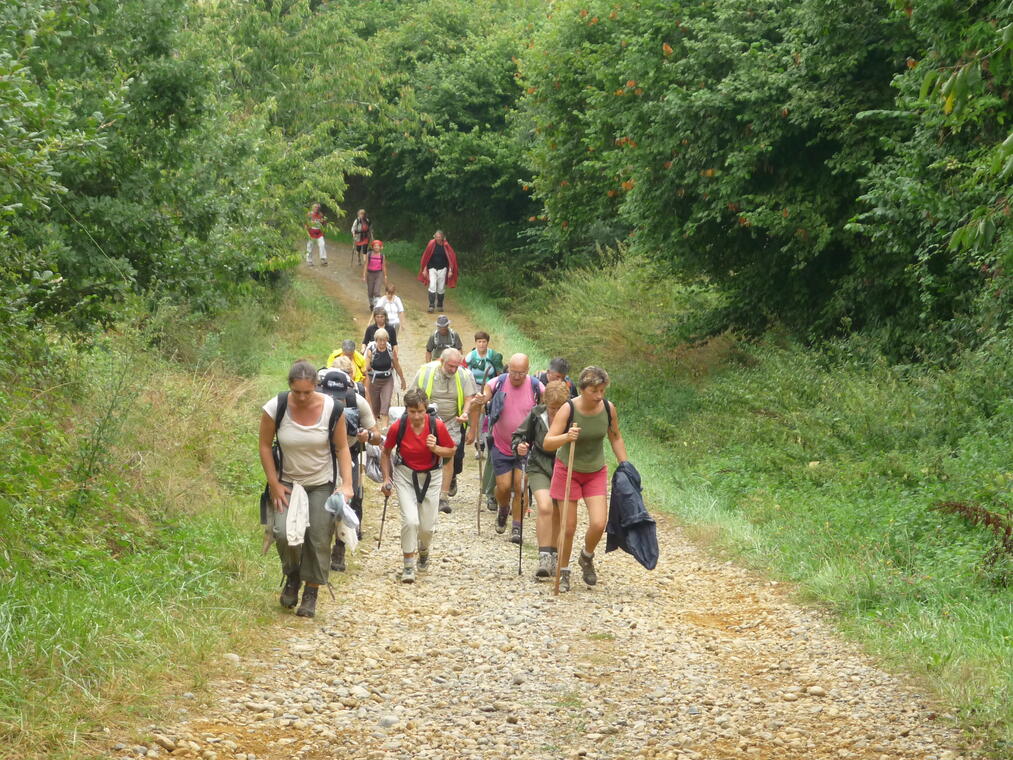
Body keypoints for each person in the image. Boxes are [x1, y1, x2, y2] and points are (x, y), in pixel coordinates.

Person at [258, 360, 353, 617]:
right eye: (297, 392)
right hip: (288, 483)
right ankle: (292, 576)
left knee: (319, 538)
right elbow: (265, 446)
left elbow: (342, 448)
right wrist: (274, 484)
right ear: (289, 386)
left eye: (307, 392)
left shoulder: (333, 409)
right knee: (283, 533)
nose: (301, 397)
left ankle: (311, 592)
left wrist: (347, 485)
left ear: (316, 387)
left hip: (322, 483)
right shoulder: (275, 407)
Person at [542, 366, 629, 592]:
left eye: (602, 390)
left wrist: (625, 465)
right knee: (568, 527)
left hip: (595, 471)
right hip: (568, 470)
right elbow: (548, 442)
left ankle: (586, 556)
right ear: (582, 389)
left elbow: (616, 437)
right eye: (594, 391)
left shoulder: (609, 409)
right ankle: (562, 572)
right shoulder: (567, 409)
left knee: (599, 523)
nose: (599, 396)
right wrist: (566, 436)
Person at [381, 388, 457, 583]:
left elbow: (450, 451)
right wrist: (386, 478)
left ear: (426, 409)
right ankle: (408, 565)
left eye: (420, 411)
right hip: (405, 475)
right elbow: (386, 452)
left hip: (432, 477)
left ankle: (424, 549)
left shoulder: (436, 426)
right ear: (406, 410)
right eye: (412, 411)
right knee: (410, 521)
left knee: (427, 527)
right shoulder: (398, 426)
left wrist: (435, 448)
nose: (416, 416)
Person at [317, 356, 383, 572]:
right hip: (321, 456)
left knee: (347, 500)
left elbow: (377, 435)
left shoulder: (358, 401)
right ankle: (322, 548)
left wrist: (367, 436)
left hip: (351, 454)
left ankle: (339, 550)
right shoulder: (315, 400)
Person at [478, 354, 543, 543]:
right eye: (513, 372)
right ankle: (503, 508)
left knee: (521, 486)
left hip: (525, 445)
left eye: (521, 373)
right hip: (501, 443)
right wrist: (482, 400)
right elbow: (486, 394)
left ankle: (517, 526)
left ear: (527, 371)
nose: (516, 376)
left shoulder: (536, 386)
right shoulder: (499, 381)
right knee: (504, 487)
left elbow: (549, 406)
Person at [512, 380, 571, 580]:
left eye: (558, 408)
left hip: (563, 467)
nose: (554, 412)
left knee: (556, 511)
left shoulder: (573, 416)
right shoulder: (537, 414)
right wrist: (519, 445)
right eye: (552, 407)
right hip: (539, 465)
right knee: (545, 507)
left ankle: (554, 554)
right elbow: (520, 435)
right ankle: (544, 557)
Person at [411, 348, 479, 514]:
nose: (453, 370)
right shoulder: (425, 372)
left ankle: (443, 496)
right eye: (450, 366)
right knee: (425, 452)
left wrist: (465, 414)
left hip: (452, 421)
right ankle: (422, 489)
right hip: (428, 419)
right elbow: (412, 395)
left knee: (449, 455)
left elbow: (471, 397)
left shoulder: (464, 375)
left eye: (456, 366)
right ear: (441, 361)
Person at [365, 328, 407, 429]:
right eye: (380, 340)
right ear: (376, 340)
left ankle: (385, 429)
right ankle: (375, 431)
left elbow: (396, 365)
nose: (383, 342)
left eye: (384, 340)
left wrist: (402, 379)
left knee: (385, 405)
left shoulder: (390, 350)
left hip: (387, 380)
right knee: (374, 408)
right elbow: (366, 368)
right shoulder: (371, 350)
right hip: (374, 381)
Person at [417, 230, 458, 313]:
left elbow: (451, 259)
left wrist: (450, 270)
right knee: (432, 285)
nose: (438, 238)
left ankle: (440, 304)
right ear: (434, 237)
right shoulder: (431, 244)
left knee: (441, 287)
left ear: (442, 237)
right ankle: (431, 306)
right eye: (436, 237)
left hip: (443, 268)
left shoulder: (446, 246)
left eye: (439, 237)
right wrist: (424, 269)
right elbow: (426, 257)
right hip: (432, 268)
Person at [361, 239, 388, 310]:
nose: (376, 247)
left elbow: (383, 266)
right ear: (372, 247)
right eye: (375, 246)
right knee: (370, 292)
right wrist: (364, 275)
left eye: (378, 246)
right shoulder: (369, 254)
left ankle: (377, 307)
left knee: (376, 291)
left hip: (378, 274)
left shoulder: (382, 256)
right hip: (370, 274)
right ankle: (372, 304)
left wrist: (385, 276)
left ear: (381, 247)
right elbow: (366, 264)